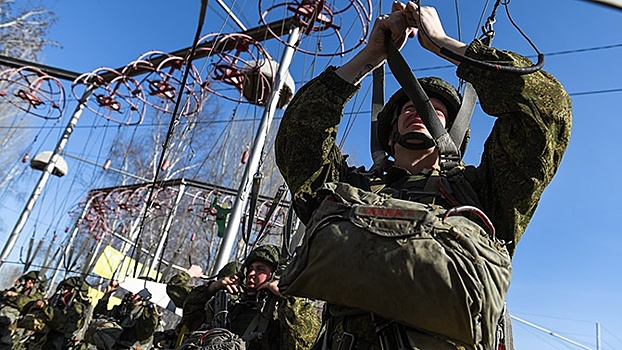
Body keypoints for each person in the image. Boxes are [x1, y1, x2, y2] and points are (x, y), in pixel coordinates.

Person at [275, 2, 571, 350]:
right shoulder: (348, 189)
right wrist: (369, 57)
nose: (418, 108)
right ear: (388, 133)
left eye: (437, 108)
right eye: (408, 106)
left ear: (456, 134)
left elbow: (548, 111)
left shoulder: (484, 194)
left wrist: (446, 45)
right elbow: (298, 137)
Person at [179, 245, 321, 350]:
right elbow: (190, 317)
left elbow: (305, 341)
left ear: (275, 276)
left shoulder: (281, 312)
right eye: (250, 269)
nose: (251, 274)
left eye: (260, 269)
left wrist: (285, 296)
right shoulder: (230, 305)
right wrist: (212, 288)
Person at [82, 280, 160, 349]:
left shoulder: (144, 317)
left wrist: (151, 309)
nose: (132, 293)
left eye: (137, 292)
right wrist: (108, 293)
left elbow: (145, 332)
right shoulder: (123, 308)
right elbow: (99, 316)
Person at [19, 276, 90, 350]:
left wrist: (45, 308)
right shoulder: (58, 304)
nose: (64, 292)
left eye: (68, 289)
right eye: (64, 288)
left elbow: (61, 322)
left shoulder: (78, 309)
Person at [0, 271, 46, 350]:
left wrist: (12, 295)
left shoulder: (37, 296)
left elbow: (22, 302)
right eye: (28, 279)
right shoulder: (19, 289)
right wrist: (7, 294)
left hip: (14, 325)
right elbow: (4, 294)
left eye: (32, 281)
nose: (28, 282)